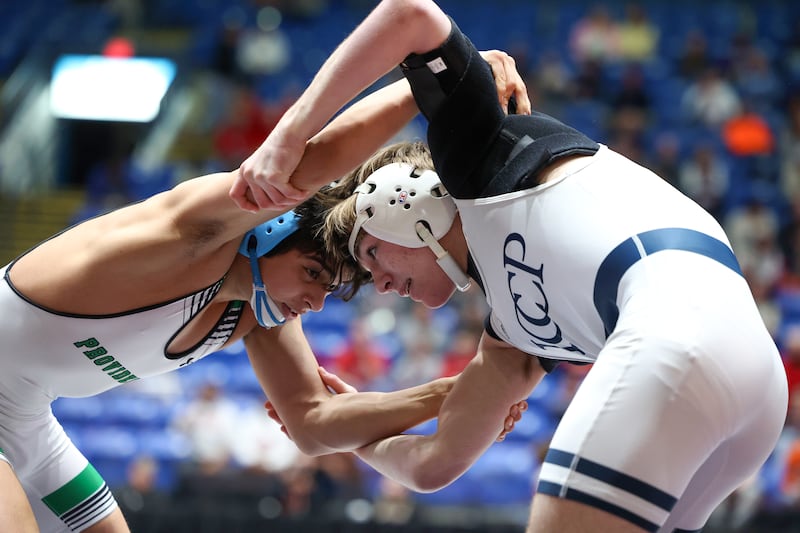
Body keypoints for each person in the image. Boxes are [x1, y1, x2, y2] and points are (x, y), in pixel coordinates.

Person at [232, 1, 788, 531]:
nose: (380, 283)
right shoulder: (514, 335)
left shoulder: (476, 163)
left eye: (371, 252)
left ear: (405, 200)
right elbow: (431, 465)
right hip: (753, 386)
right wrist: (360, 424)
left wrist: (287, 138)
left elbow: (409, 13)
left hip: (678, 337)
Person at [0, 46, 527, 532]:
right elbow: (314, 163)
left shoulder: (255, 312)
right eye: (313, 274)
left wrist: (453, 394)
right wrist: (440, 78)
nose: (314, 303)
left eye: (330, 291)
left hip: (26, 422)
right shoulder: (190, 234)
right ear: (270, 228)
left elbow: (313, 425)